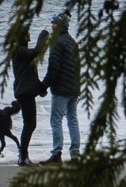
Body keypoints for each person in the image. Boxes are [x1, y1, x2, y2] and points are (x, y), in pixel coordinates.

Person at [44, 12, 81, 162]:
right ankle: (75, 154)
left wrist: (44, 85)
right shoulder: (73, 42)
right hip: (74, 89)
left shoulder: (56, 43)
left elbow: (53, 69)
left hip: (61, 90)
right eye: (52, 22)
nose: (53, 25)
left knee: (55, 120)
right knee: (72, 119)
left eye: (55, 23)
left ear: (61, 26)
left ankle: (56, 153)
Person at [11, 27, 47, 164]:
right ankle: (23, 156)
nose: (30, 37)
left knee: (30, 124)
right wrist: (43, 35)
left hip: (25, 91)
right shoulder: (19, 50)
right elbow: (37, 51)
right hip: (24, 92)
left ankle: (23, 156)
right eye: (28, 35)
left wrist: (41, 87)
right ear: (25, 37)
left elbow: (30, 75)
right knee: (30, 124)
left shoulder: (21, 52)